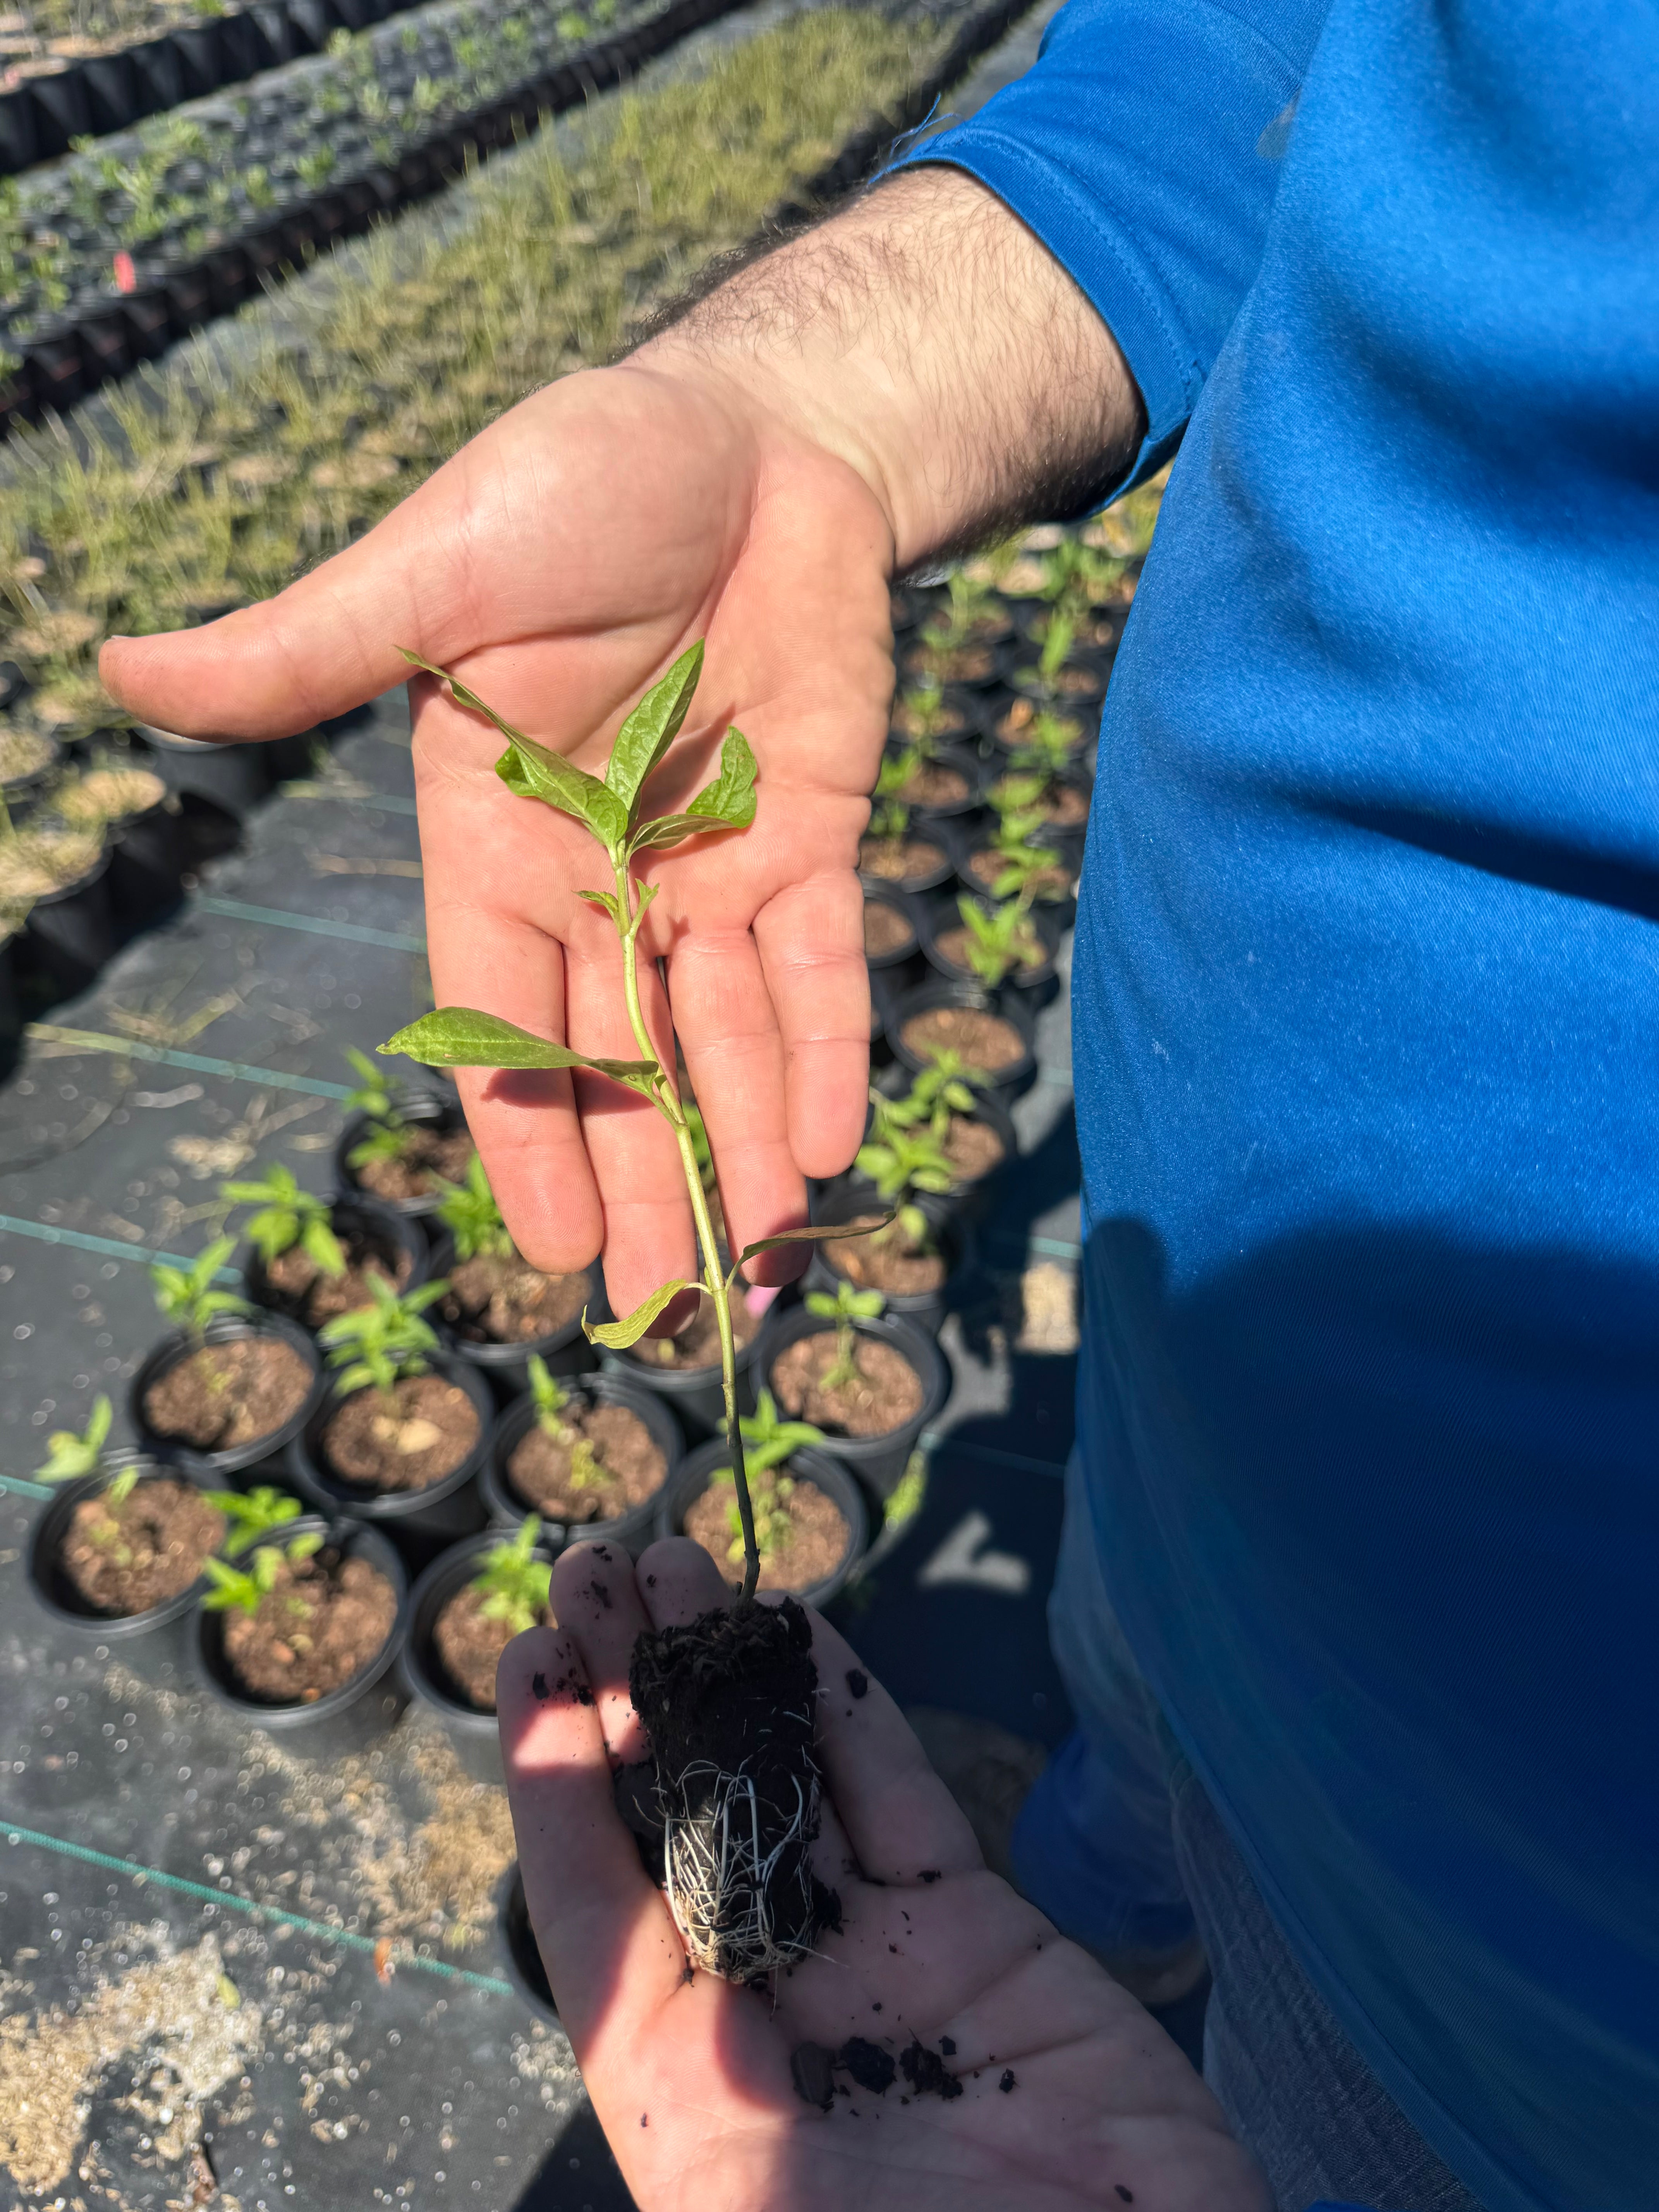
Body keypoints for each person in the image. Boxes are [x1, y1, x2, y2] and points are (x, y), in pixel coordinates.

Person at [102, 0, 1659, 2202]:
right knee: (1126, 1728)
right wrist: (806, 400)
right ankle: (1109, 1867)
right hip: (1189, 1399)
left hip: (1535, 2040)